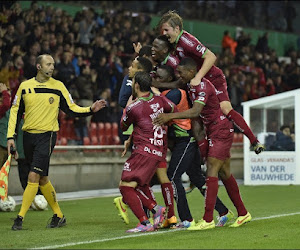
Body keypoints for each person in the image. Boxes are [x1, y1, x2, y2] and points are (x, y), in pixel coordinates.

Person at [7, 54, 107, 230]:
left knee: (33, 175)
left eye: (53, 64)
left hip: (48, 135)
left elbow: (71, 108)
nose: (52, 67)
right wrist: (10, 137)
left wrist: (90, 109)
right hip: (28, 136)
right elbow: (15, 112)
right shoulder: (25, 86)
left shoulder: (58, 86)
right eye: (48, 64)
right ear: (38, 66)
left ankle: (20, 218)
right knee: (42, 178)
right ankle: (59, 216)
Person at [153, 58, 251, 230]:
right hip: (198, 137)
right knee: (203, 177)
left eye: (160, 79)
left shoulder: (176, 93)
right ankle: (227, 212)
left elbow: (186, 111)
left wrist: (164, 111)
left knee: (174, 176)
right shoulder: (185, 88)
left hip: (188, 139)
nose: (179, 75)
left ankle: (189, 219)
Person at [157, 10, 264, 154]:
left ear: (177, 28)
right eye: (162, 30)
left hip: (212, 78)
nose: (164, 33)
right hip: (200, 83)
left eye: (166, 30)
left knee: (226, 109)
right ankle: (205, 159)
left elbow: (211, 57)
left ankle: (254, 141)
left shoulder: (186, 40)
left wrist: (198, 77)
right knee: (195, 119)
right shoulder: (175, 44)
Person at [118, 71, 176, 233]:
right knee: (138, 186)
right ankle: (155, 209)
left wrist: (128, 106)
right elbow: (173, 108)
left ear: (136, 86)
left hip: (143, 151)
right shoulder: (159, 100)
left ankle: (145, 222)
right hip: (158, 150)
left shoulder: (134, 107)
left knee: (125, 187)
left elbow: (123, 125)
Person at [0, 82, 11, 167]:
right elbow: (6, 105)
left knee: (3, 176)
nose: (9, 98)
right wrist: (4, 92)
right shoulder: (2, 110)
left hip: (6, 148)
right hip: (1, 147)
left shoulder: (9, 112)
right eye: (7, 96)